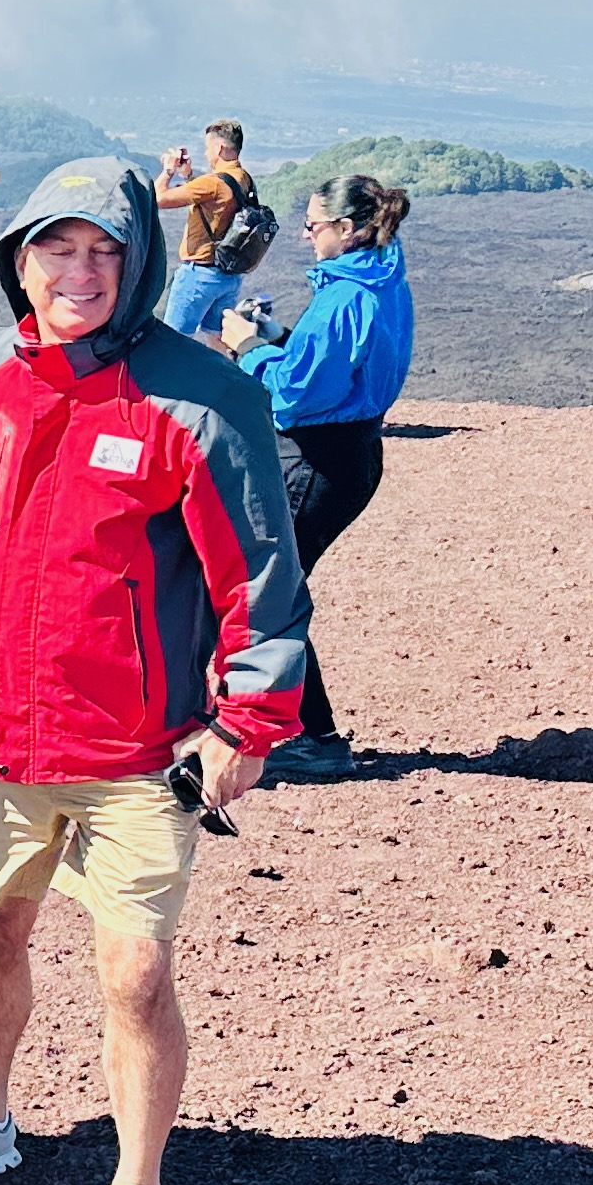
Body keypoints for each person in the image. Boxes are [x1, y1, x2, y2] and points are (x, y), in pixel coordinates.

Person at [0, 158, 310, 1185]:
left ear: (136, 264)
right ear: (18, 257)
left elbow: (260, 576)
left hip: (136, 751)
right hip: (0, 744)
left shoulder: (198, 394)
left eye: (103, 252)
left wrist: (250, 720)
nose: (77, 273)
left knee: (133, 974)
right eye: (54, 248)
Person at [220, 172, 417, 777]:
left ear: (348, 228)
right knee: (272, 588)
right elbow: (336, 365)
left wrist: (249, 348)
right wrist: (280, 336)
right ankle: (302, 731)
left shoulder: (345, 297)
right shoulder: (380, 279)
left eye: (314, 225)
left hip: (316, 458)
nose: (306, 235)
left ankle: (317, 740)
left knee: (267, 591)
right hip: (350, 453)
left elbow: (293, 398)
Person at [155, 121, 259, 347]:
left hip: (199, 275)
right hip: (228, 275)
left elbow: (157, 199)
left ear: (220, 148)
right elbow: (216, 204)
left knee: (172, 342)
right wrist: (189, 175)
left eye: (207, 147)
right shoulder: (243, 178)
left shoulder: (212, 182)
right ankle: (223, 380)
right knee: (219, 340)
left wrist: (168, 171)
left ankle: (175, 382)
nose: (206, 152)